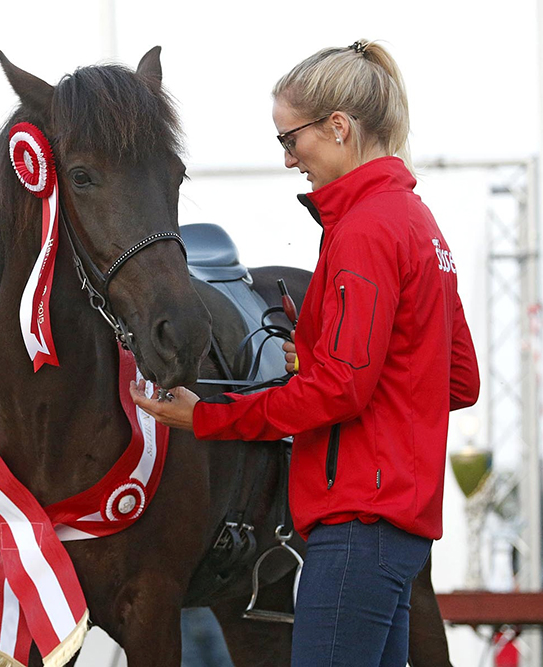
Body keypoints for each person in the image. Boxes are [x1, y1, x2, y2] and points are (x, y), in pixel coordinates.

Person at [131, 39, 480, 667]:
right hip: (402, 521)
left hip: (356, 521)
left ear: (339, 127)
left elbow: (340, 391)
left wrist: (205, 417)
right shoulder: (420, 222)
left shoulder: (364, 229)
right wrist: (339, 361)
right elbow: (459, 379)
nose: (291, 159)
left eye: (291, 140)